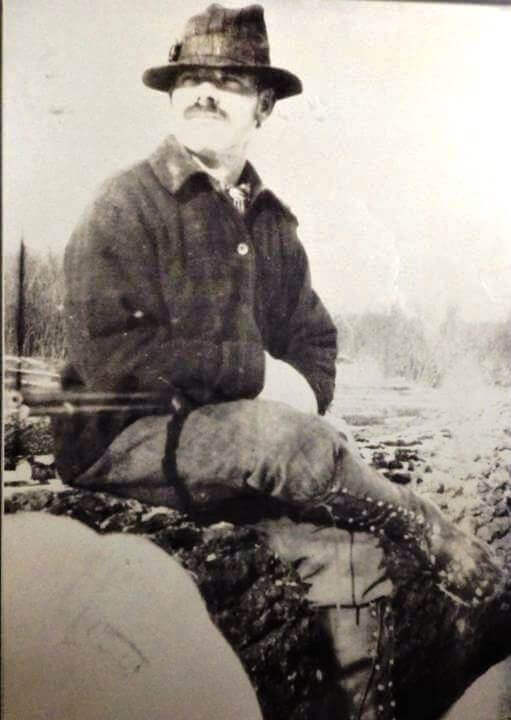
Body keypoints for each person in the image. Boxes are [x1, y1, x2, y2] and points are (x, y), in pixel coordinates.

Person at [53, 5, 501, 719]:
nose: (204, 92)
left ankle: (364, 709)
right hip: (122, 437)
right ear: (171, 97)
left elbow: (314, 342)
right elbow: (111, 357)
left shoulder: (271, 222)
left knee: (347, 547)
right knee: (278, 438)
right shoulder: (123, 203)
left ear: (261, 106)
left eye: (227, 80)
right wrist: (256, 377)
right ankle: (434, 534)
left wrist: (300, 391)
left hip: (234, 452)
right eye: (190, 78)